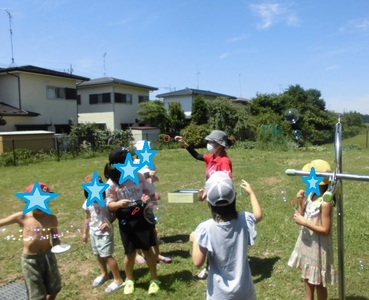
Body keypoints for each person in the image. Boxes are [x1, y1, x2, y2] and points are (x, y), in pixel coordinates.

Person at [190, 171, 262, 300]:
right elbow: (258, 214)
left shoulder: (205, 228)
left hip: (219, 295)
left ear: (209, 202)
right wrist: (251, 193)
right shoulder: (244, 219)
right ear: (234, 196)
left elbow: (197, 262)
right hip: (245, 291)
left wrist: (195, 238)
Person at [176, 130, 235, 279]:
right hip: (214, 201)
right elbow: (197, 156)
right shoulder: (212, 158)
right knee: (218, 232)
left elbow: (226, 184)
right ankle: (217, 262)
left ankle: (211, 267)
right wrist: (184, 144)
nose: (208, 144)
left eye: (211, 142)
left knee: (218, 232)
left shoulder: (224, 161)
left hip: (222, 203)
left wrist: (209, 191)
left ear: (219, 145)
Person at [104, 147, 160, 295]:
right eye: (128, 159)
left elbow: (147, 191)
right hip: (126, 220)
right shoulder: (112, 184)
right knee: (129, 253)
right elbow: (109, 204)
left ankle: (154, 279)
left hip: (141, 216)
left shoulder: (138, 175)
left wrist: (147, 197)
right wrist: (118, 204)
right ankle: (129, 279)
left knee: (147, 250)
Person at [0, 182, 62, 300]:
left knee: (55, 288)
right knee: (37, 295)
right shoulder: (22, 217)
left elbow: (55, 237)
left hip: (48, 257)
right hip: (30, 261)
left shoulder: (52, 218)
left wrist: (58, 244)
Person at [288, 159, 336, 300]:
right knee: (307, 276)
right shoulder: (311, 195)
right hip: (307, 244)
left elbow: (326, 230)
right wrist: (301, 202)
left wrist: (305, 223)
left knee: (319, 283)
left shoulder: (325, 202)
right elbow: (300, 216)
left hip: (318, 247)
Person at [81, 174, 124, 294]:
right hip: (93, 232)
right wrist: (85, 233)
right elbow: (87, 218)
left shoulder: (106, 201)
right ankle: (104, 274)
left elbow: (115, 214)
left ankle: (118, 279)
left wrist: (108, 223)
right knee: (98, 254)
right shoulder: (87, 203)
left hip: (105, 233)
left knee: (107, 256)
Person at [133, 140, 172, 265]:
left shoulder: (151, 164)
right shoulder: (134, 164)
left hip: (149, 198)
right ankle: (138, 254)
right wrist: (148, 177)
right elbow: (137, 182)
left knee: (152, 226)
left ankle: (157, 253)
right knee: (138, 227)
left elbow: (152, 181)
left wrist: (153, 180)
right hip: (139, 200)